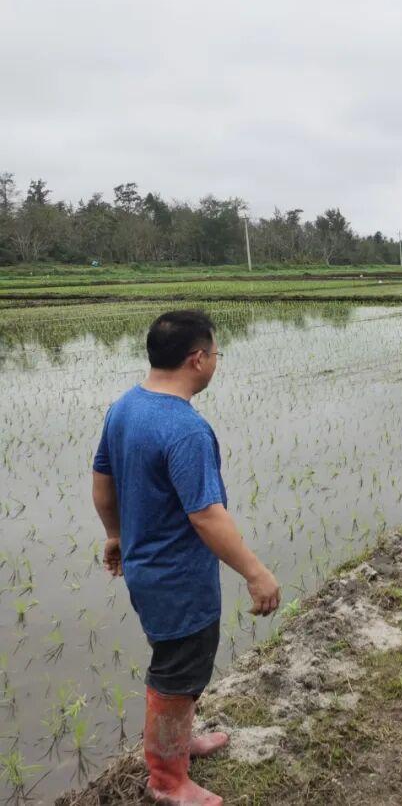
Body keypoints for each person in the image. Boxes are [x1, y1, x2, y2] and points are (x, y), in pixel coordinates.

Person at [92, 310, 280, 806]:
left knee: (180, 667)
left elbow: (103, 481)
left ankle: (177, 743)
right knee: (176, 674)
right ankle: (166, 779)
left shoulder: (126, 407)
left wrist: (115, 536)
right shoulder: (186, 430)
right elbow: (207, 518)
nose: (217, 361)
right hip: (178, 580)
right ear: (197, 360)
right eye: (216, 353)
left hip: (145, 571)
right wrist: (256, 572)